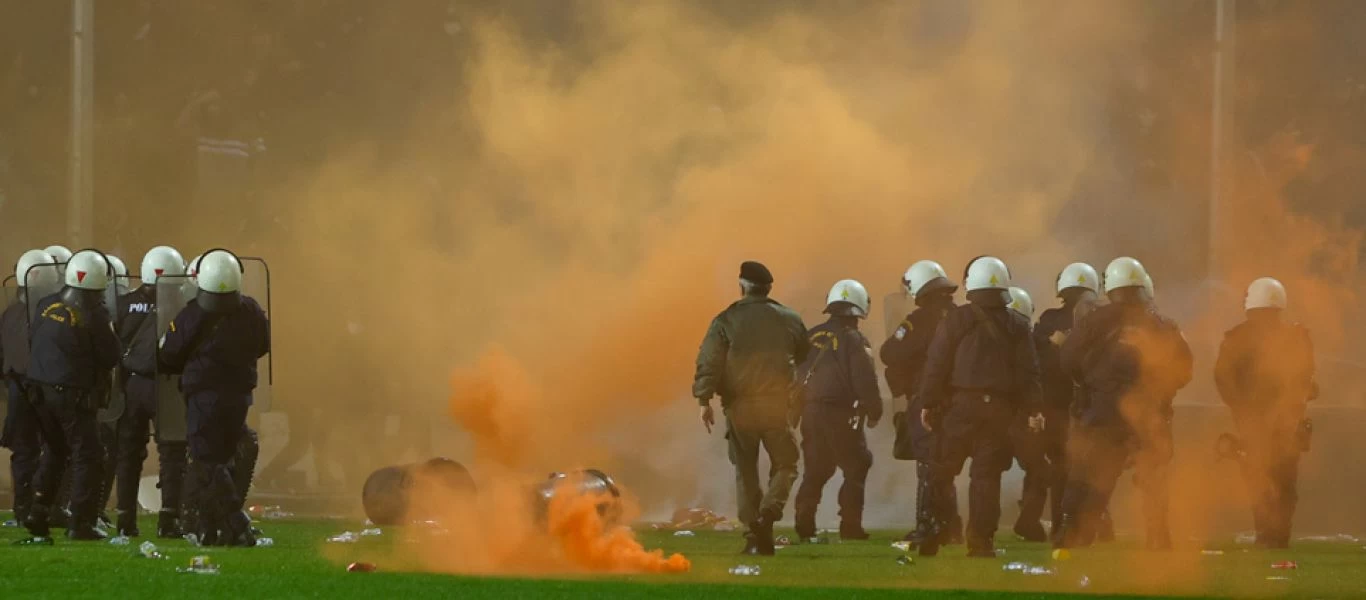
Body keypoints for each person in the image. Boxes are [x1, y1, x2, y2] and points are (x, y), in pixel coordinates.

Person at [1054, 257, 1192, 552]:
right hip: (1150, 414)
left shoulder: (1094, 321)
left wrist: (1089, 382)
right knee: (1153, 476)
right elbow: (1184, 370)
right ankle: (1158, 536)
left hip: (1104, 413)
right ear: (1142, 285)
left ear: (1111, 287)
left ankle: (1072, 532)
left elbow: (1067, 359)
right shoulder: (1163, 324)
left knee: (1089, 472)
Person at [917, 257, 1044, 558]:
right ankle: (981, 543)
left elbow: (936, 364)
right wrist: (1034, 410)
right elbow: (1030, 373)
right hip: (998, 412)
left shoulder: (955, 320)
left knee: (941, 472)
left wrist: (928, 402)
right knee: (986, 479)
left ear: (971, 283)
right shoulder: (1018, 324)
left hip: (959, 409)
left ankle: (934, 533)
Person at [693, 261, 808, 556]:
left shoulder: (726, 320)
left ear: (742, 285)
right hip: (775, 405)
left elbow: (710, 362)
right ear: (768, 287)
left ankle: (753, 534)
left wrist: (704, 401)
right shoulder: (790, 318)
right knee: (786, 464)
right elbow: (804, 353)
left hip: (740, 407)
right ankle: (767, 516)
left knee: (746, 471)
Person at [159, 250, 269, 547]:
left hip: (204, 395)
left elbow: (169, 353)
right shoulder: (252, 310)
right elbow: (262, 346)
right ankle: (210, 529)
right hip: (240, 396)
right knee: (221, 460)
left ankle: (236, 521)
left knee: (207, 461)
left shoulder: (193, 313)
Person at [21, 249, 122, 542]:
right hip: (72, 395)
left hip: (39, 391)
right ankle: (81, 522)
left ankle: (37, 511)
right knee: (88, 455)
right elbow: (111, 355)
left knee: (55, 450)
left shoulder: (45, 304)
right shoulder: (94, 314)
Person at [1214, 277, 1316, 549]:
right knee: (1285, 481)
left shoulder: (1235, 339)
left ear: (1250, 304)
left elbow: (1223, 380)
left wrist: (1243, 411)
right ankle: (1279, 536)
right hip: (1287, 422)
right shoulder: (1297, 336)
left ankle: (1265, 534)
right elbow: (1306, 379)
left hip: (1253, 423)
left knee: (1259, 480)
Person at [879, 260, 963, 547]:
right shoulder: (960, 316)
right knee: (945, 464)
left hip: (926, 399)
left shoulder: (917, 321)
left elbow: (889, 353)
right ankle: (951, 527)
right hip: (958, 400)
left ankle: (926, 524)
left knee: (928, 464)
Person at [793, 279, 883, 541]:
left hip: (810, 413)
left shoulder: (810, 335)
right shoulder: (854, 340)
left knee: (815, 469)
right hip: (841, 414)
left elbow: (795, 375)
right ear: (859, 308)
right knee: (856, 466)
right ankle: (851, 526)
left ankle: (804, 521)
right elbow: (865, 379)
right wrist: (874, 410)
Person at [109, 246, 190, 538]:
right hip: (168, 385)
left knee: (128, 454)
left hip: (131, 385)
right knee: (172, 452)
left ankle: (125, 520)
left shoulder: (122, 303)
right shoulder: (183, 303)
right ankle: (169, 519)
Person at [1015, 263, 1098, 543]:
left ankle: (1031, 520)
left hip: (1049, 404)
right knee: (1077, 466)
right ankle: (1067, 525)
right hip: (1082, 406)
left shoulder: (1049, 320)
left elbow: (1034, 353)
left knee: (1041, 466)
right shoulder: (1099, 321)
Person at [1, 249, 59, 528]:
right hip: (42, 388)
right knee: (55, 449)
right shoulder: (49, 313)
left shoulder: (9, 313)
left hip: (15, 388)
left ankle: (23, 507)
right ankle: (44, 506)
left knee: (24, 452)